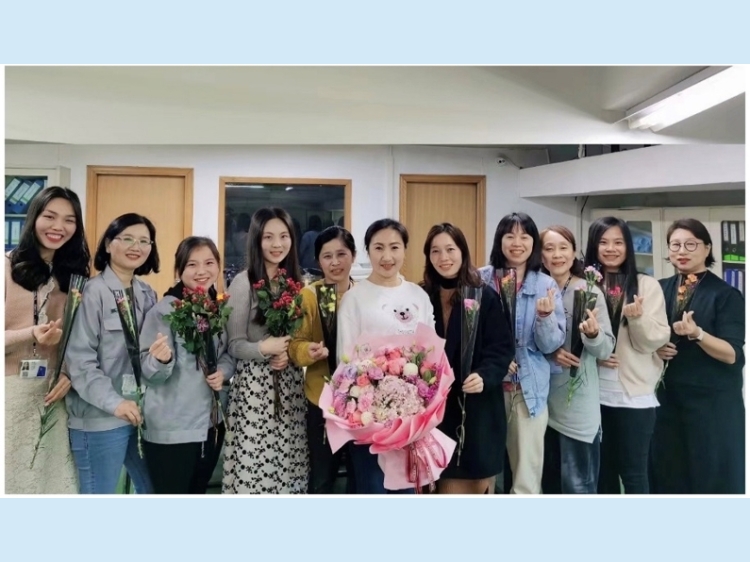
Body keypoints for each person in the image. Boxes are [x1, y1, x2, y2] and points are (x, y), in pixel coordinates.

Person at [337, 218, 435, 494]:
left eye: (394, 247)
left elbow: (430, 356)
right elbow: (345, 361)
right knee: (374, 490)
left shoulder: (418, 295)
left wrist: (422, 403)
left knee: (408, 491)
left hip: (411, 418)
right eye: (378, 248)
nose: (387, 256)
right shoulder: (354, 299)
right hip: (370, 419)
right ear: (368, 251)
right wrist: (367, 407)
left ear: (405, 250)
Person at [65, 213, 160, 494]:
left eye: (144, 241)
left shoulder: (147, 294)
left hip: (139, 413)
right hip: (100, 417)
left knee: (154, 490)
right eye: (127, 238)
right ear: (108, 244)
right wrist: (115, 403)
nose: (136, 247)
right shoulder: (91, 293)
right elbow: (79, 360)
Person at [5, 186, 90, 494]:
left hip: (53, 394)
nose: (58, 227)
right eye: (50, 216)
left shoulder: (74, 277)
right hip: (10, 393)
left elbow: (80, 339)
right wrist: (31, 333)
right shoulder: (5, 267)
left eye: (69, 220)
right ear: (34, 218)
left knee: (50, 483)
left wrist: (68, 372)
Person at [651, 218, 745, 494]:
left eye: (691, 244)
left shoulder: (726, 294)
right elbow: (646, 337)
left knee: (710, 480)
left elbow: (732, 355)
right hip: (667, 402)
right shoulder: (659, 289)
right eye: (675, 245)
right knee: (667, 476)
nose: (682, 251)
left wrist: (698, 334)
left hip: (712, 407)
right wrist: (656, 348)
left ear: (707, 248)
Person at [421, 223, 514, 494]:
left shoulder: (484, 295)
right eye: (435, 251)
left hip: (476, 409)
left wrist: (484, 375)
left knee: (473, 484)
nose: (443, 257)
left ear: (463, 252)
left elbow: (501, 348)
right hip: (433, 412)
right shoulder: (421, 295)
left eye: (450, 249)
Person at [139, 237, 236, 494]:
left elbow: (228, 353)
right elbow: (147, 372)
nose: (201, 271)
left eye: (209, 263)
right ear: (179, 270)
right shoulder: (164, 311)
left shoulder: (218, 308)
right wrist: (162, 360)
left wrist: (223, 371)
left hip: (211, 426)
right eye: (192, 264)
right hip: (174, 430)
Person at [222, 207, 308, 494]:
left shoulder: (295, 283)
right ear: (257, 240)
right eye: (268, 237)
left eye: (284, 236)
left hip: (290, 386)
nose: (277, 244)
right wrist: (264, 348)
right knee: (255, 471)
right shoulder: (243, 283)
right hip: (255, 391)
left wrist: (288, 351)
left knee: (288, 467)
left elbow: (298, 334)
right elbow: (234, 344)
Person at [478, 212, 566, 495]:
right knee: (484, 474)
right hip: (486, 392)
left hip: (527, 392)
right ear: (499, 240)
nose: (517, 243)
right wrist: (496, 363)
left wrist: (545, 317)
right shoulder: (481, 279)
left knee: (526, 479)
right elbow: (470, 336)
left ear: (533, 243)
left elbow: (551, 345)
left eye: (524, 236)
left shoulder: (545, 285)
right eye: (510, 236)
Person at [583, 216, 670, 494]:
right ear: (593, 246)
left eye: (618, 242)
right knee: (602, 474)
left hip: (632, 396)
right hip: (592, 396)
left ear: (628, 246)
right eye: (603, 242)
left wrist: (637, 318)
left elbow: (652, 342)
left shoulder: (646, 286)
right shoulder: (585, 285)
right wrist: (597, 352)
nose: (611, 248)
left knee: (633, 474)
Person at [540, 225, 615, 494]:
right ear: (541, 255)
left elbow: (605, 350)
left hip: (577, 407)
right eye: (549, 249)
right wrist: (550, 352)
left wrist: (593, 334)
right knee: (546, 489)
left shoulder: (589, 291)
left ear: (574, 253)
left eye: (564, 248)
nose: (557, 255)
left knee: (577, 489)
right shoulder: (536, 289)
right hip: (538, 406)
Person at [289, 226, 357, 494]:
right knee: (322, 477)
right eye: (327, 256)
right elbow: (294, 345)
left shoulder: (363, 295)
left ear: (353, 255)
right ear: (318, 261)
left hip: (361, 402)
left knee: (359, 476)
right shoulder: (309, 296)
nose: (335, 262)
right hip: (322, 400)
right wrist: (309, 351)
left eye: (342, 254)